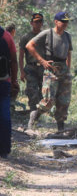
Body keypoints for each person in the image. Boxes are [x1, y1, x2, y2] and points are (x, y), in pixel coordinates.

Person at [26, 12, 72, 131]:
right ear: (56, 22)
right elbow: (29, 45)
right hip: (51, 70)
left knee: (64, 101)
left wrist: (68, 69)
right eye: (63, 21)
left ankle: (60, 128)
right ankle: (35, 117)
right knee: (48, 101)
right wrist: (42, 61)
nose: (65, 24)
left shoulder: (67, 36)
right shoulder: (47, 33)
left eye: (67, 22)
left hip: (64, 70)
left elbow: (69, 53)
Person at [19, 13, 44, 111]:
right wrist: (21, 71)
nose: (38, 24)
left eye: (40, 22)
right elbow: (21, 56)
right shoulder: (26, 37)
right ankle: (33, 114)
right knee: (32, 92)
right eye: (36, 22)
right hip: (30, 68)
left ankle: (41, 114)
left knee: (44, 92)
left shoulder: (45, 36)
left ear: (42, 23)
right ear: (31, 23)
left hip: (43, 68)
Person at [0, 26, 18, 158]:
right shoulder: (6, 36)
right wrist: (14, 81)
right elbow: (14, 60)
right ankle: (4, 150)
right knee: (5, 116)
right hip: (4, 81)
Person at [6, 23, 19, 113]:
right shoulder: (9, 38)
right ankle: (10, 107)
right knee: (15, 88)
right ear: (13, 31)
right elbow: (14, 60)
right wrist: (14, 80)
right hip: (7, 71)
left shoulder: (3, 36)